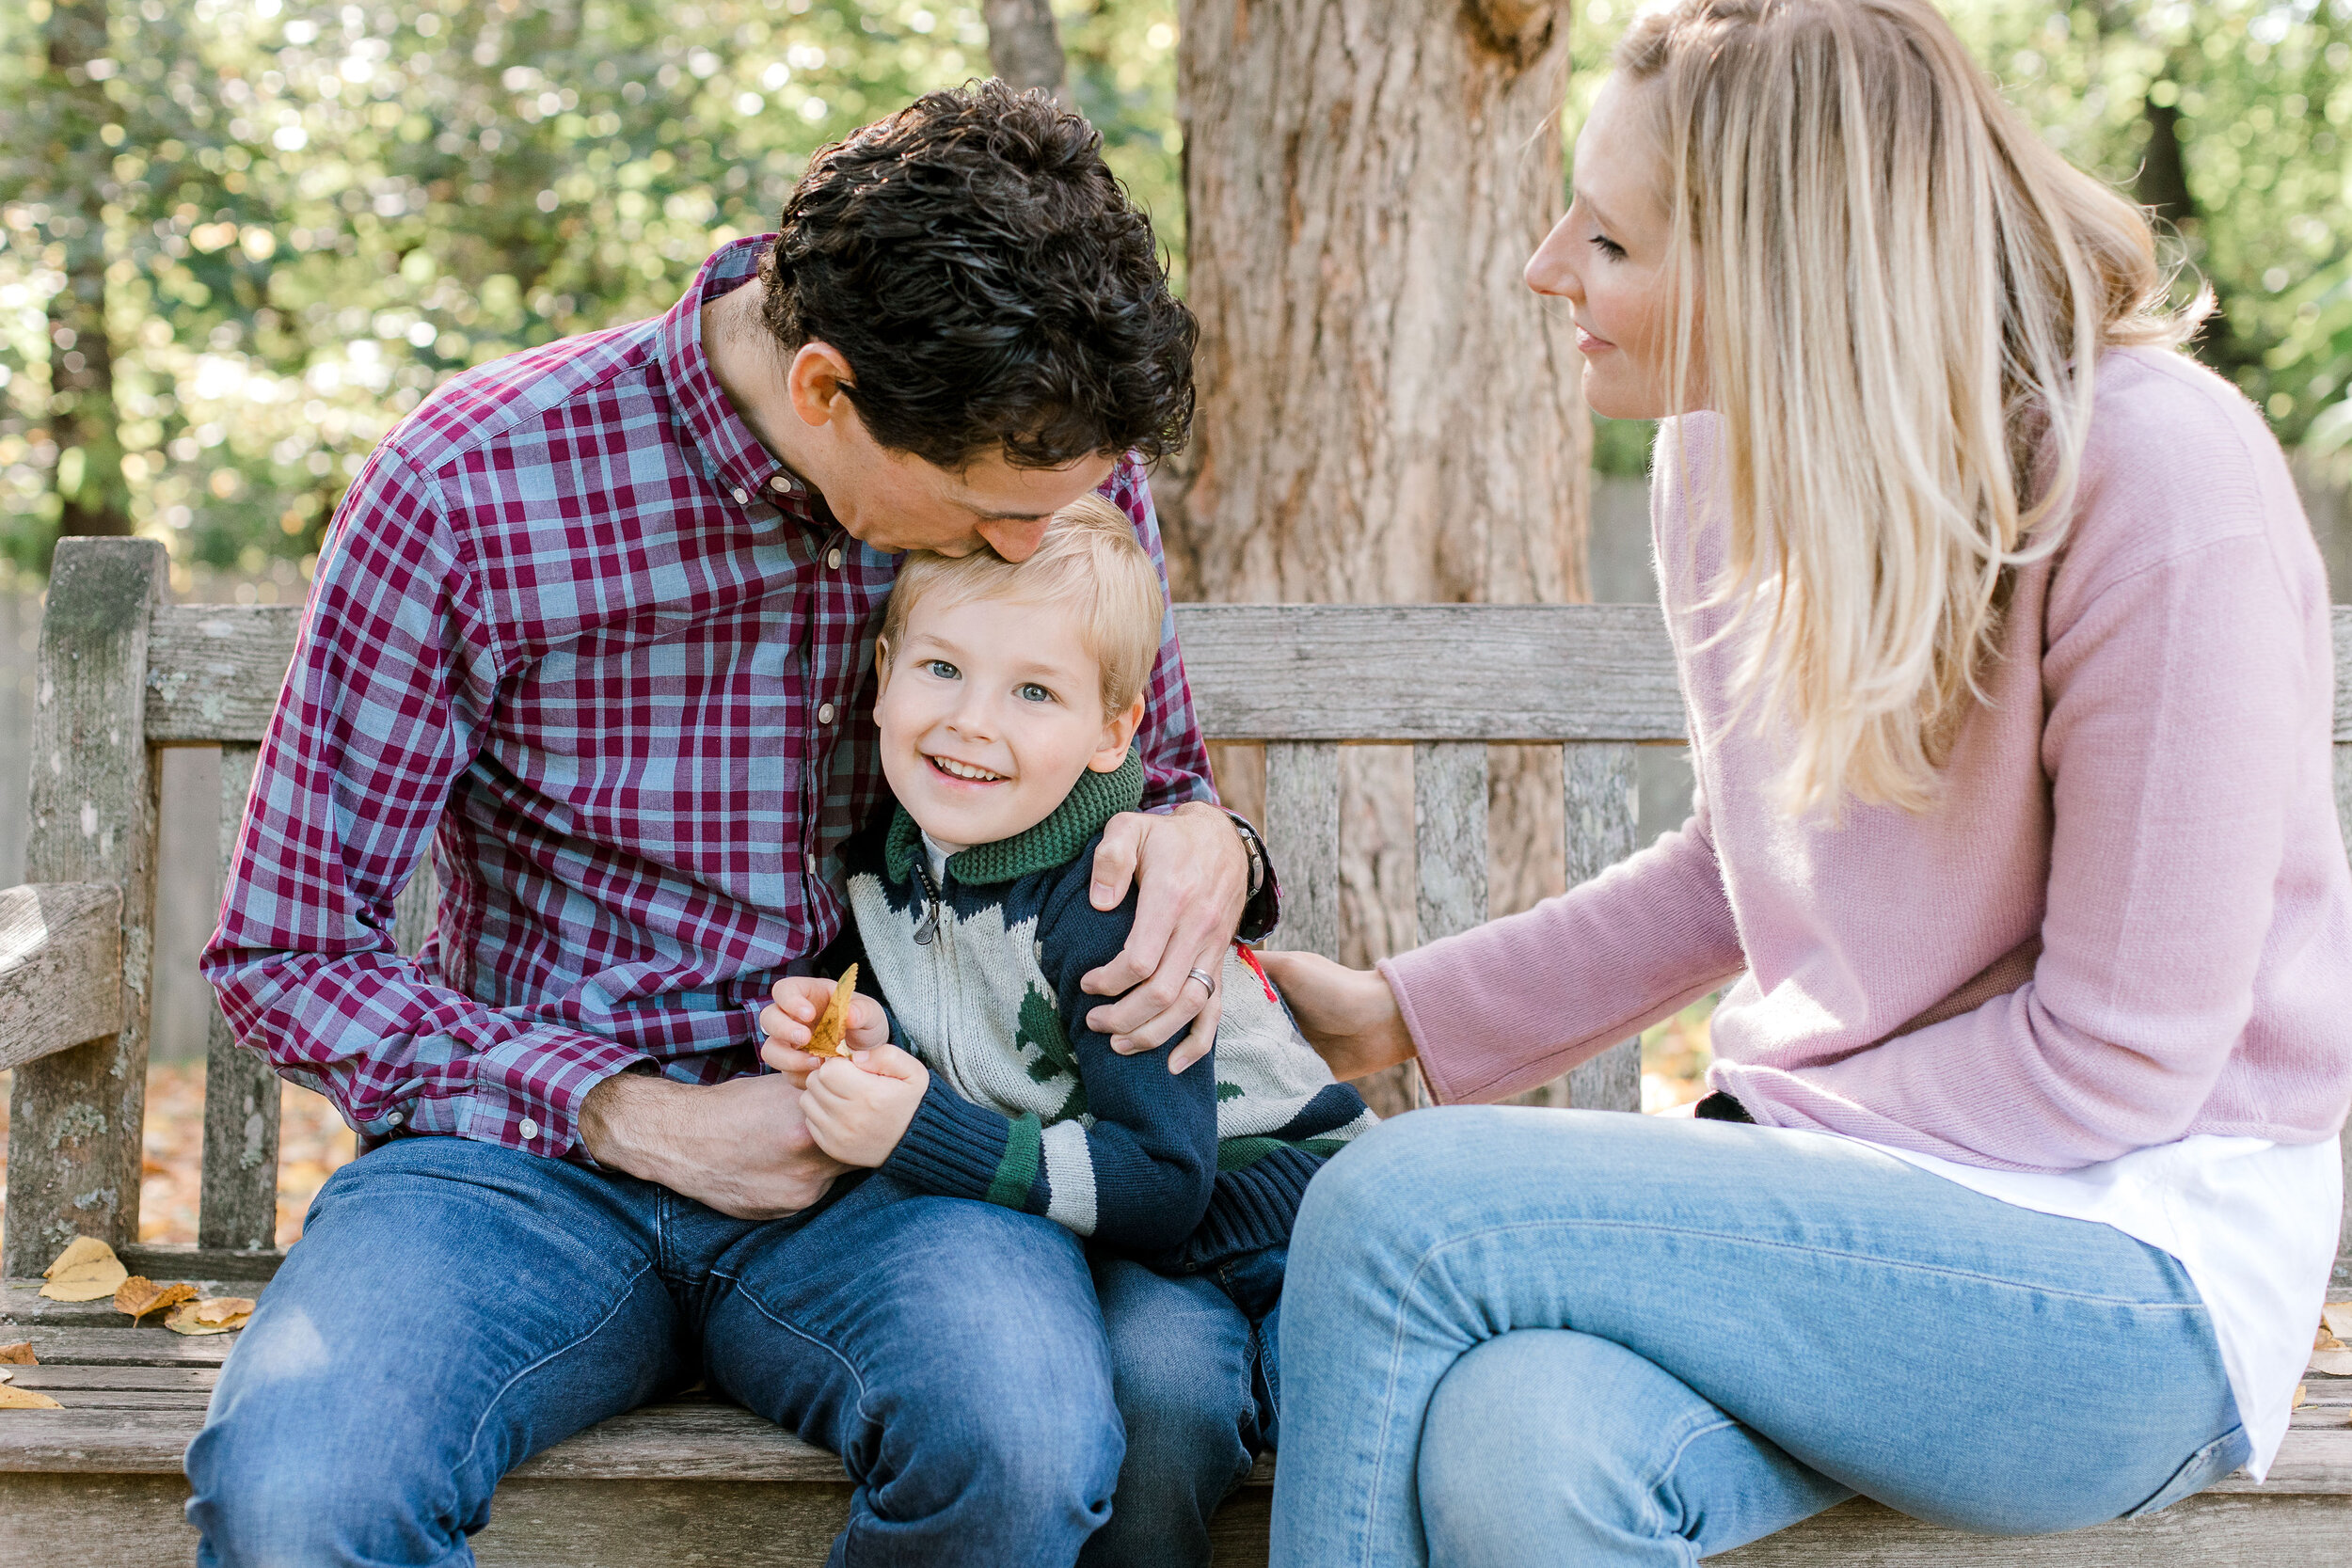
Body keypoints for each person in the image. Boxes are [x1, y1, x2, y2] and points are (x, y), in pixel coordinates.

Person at [1254, 2, 2352, 1562]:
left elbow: (2120, 1062)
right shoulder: (1729, 458)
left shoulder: (2162, 477)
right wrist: (1398, 1015)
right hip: (1872, 1221)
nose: (1547, 266)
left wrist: (1750, 1130)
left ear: (1788, 272)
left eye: (1613, 240)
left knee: (1387, 1210)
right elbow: (1745, 864)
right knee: (1529, 1440)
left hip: (2138, 1268)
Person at [187, 84, 1279, 1567]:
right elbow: (288, 950)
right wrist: (640, 1113)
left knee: (1023, 1445)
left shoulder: (1045, 460)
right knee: (304, 1486)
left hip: (897, 1159)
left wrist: (1214, 840)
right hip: (522, 1161)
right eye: (989, 514)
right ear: (825, 391)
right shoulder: (469, 485)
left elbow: (1146, 791)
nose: (1038, 544)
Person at [757, 493, 1375, 1566]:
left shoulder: (1110, 902)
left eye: (1033, 690)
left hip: (1268, 1213)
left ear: (1112, 728)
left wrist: (915, 1132)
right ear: (884, 671)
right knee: (1129, 1386)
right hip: (1126, 1234)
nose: (971, 722)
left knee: (1163, 1398)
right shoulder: (888, 867)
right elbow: (967, 1031)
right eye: (941, 670)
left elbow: (1163, 1179)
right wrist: (853, 1027)